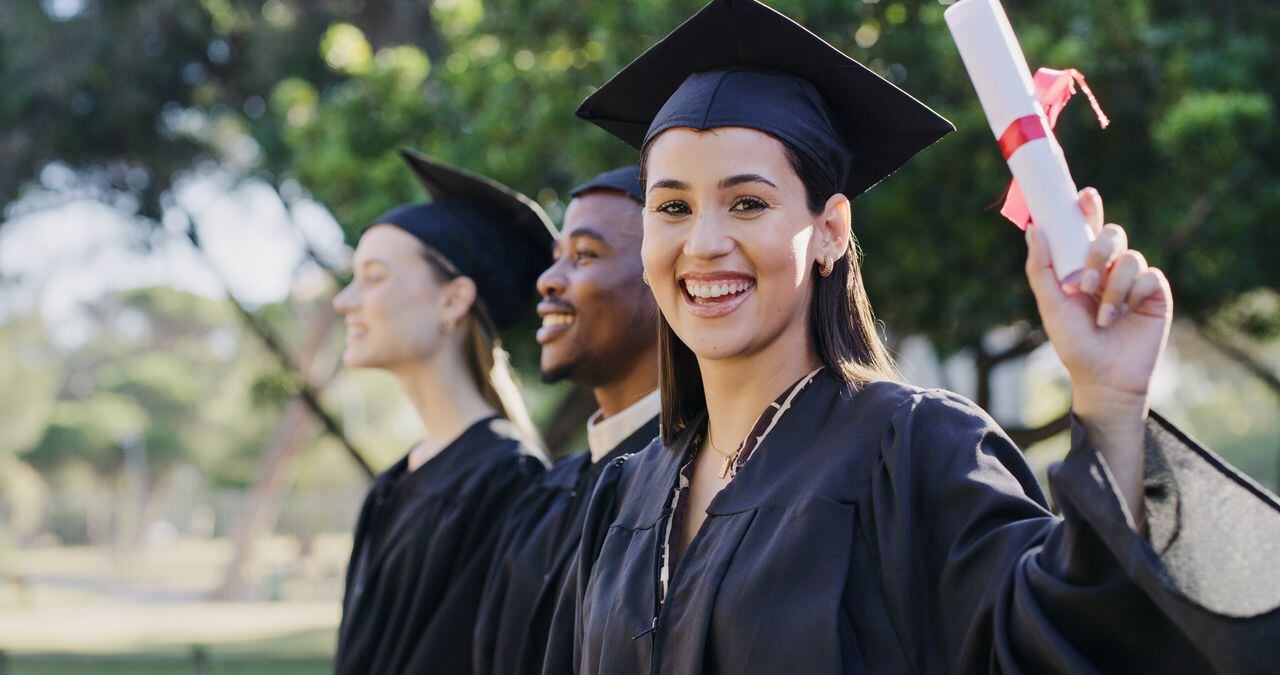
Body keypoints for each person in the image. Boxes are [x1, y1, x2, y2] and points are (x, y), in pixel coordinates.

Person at [553, 1, 1280, 673]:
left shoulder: (915, 452)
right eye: (671, 206)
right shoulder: (623, 493)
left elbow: (1067, 633)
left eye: (748, 202)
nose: (704, 242)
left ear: (830, 230)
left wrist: (1109, 406)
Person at [330, 149, 552, 674]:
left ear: (453, 300)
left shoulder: (507, 477)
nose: (345, 300)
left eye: (375, 276)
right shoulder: (396, 482)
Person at [473, 167, 660, 675]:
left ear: (667, 276)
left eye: (584, 255)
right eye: (556, 258)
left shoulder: (702, 485)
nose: (548, 280)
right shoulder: (547, 493)